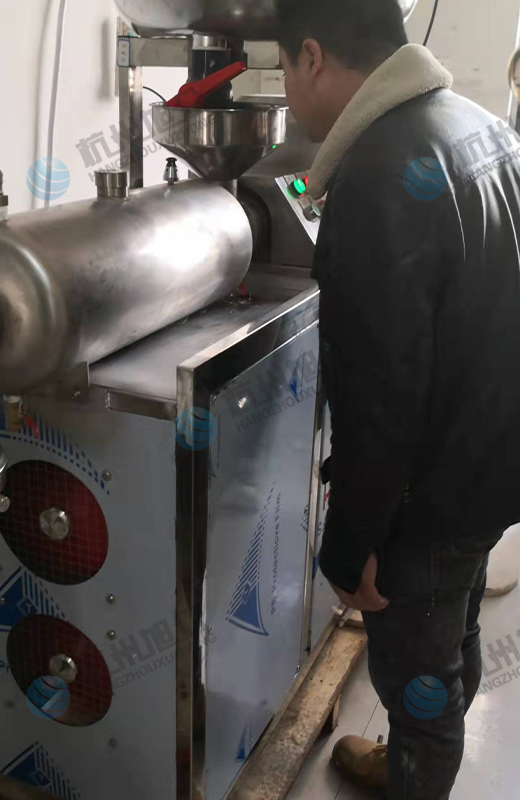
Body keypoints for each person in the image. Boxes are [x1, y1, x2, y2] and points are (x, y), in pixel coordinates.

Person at [276, 2, 520, 799]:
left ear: (312, 56)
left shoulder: (379, 172)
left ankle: (415, 771)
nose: (288, 93)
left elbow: (383, 394)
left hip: (434, 496)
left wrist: (352, 546)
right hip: (492, 460)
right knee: (452, 627)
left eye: (283, 68)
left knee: (416, 679)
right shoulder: (477, 124)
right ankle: (412, 755)